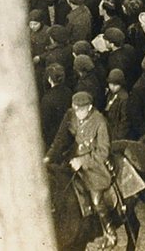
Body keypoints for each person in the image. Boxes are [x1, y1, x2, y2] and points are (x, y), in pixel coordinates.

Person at [46, 90, 116, 242]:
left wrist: (83, 161)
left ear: (90, 107)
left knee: (96, 199)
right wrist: (48, 157)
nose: (77, 113)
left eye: (81, 109)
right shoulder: (71, 115)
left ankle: (109, 230)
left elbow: (103, 152)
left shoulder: (100, 122)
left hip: (94, 167)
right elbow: (60, 138)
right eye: (75, 108)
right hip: (72, 160)